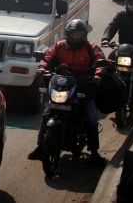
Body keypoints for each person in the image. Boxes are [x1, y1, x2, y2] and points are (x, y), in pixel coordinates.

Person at [28, 19, 106, 165]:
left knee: (91, 118)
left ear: (84, 34)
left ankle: (94, 152)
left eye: (79, 34)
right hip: (62, 82)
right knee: (47, 113)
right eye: (73, 34)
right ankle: (40, 146)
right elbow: (47, 58)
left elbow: (100, 60)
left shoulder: (91, 47)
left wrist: (97, 75)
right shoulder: (59, 46)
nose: (76, 37)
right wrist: (42, 68)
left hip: (84, 85)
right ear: (68, 34)